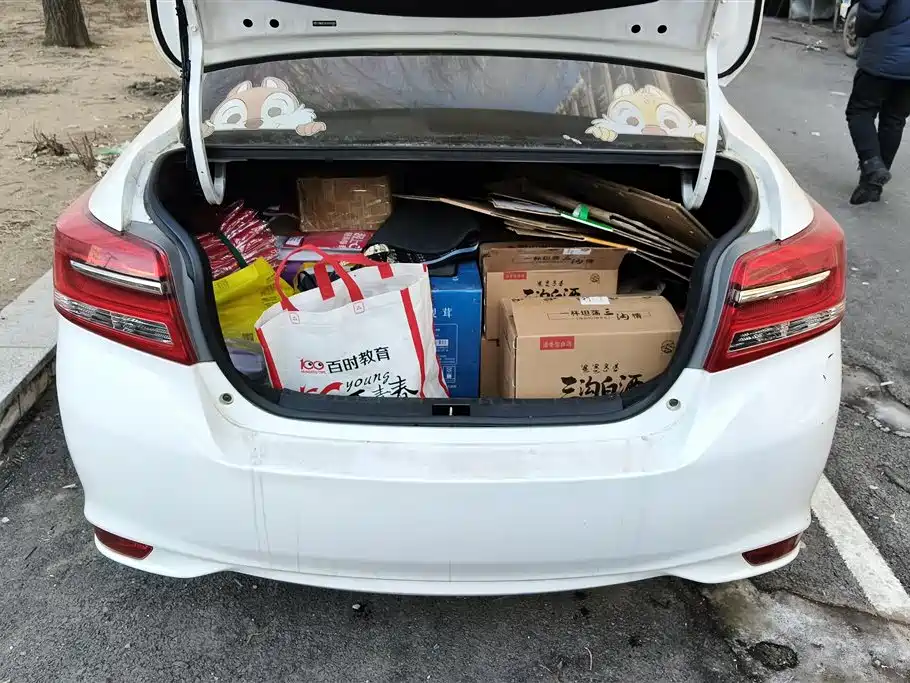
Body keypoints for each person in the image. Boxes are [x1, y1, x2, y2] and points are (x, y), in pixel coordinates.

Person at [845, 0, 910, 205]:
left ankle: (872, 164)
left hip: (884, 52)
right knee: (894, 120)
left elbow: (871, 8)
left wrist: (861, 30)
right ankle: (872, 186)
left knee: (859, 111)